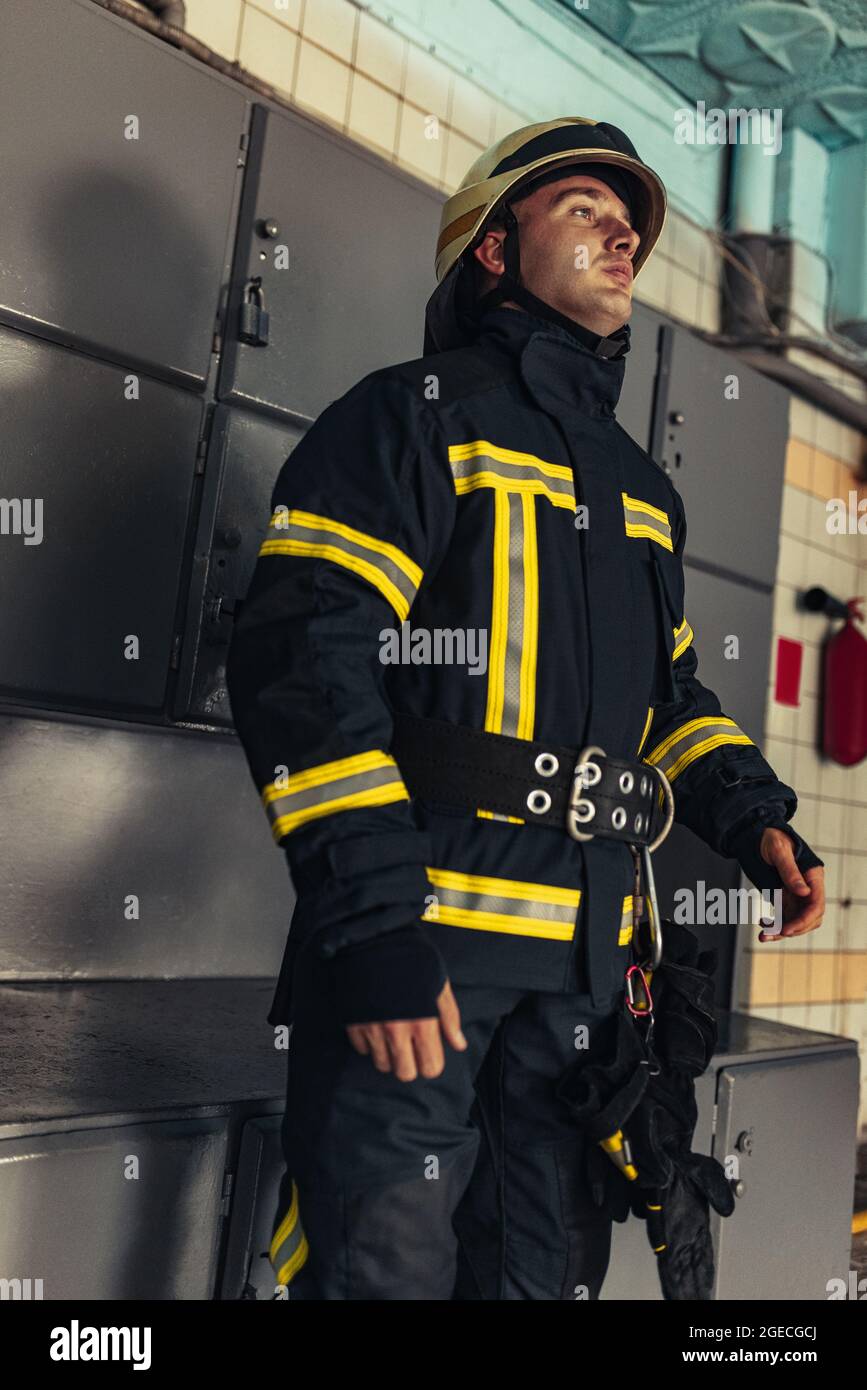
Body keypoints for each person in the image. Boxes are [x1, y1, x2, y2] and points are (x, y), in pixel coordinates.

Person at [225, 118, 825, 1300]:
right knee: (377, 1271)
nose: (623, 235)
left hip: (586, 988)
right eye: (585, 209)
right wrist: (377, 927)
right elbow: (306, 659)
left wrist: (753, 816)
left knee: (541, 1278)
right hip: (427, 954)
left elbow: (668, 702)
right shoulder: (410, 417)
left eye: (633, 223)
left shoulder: (640, 494)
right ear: (494, 249)